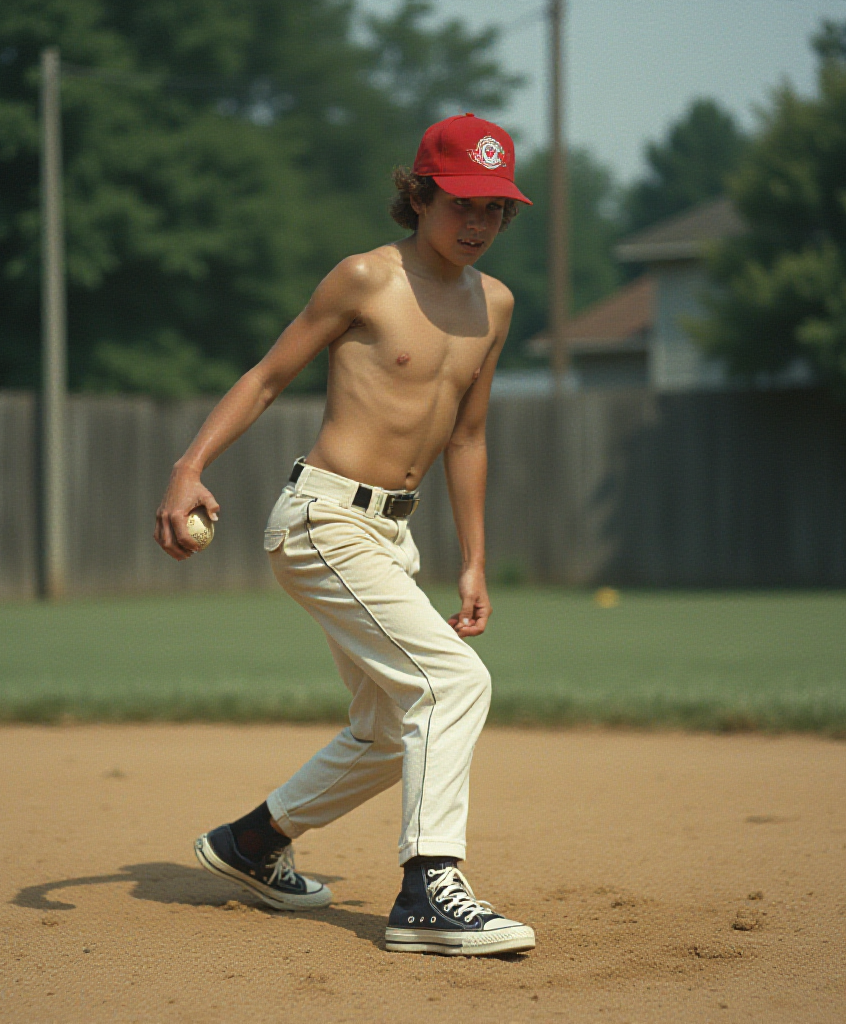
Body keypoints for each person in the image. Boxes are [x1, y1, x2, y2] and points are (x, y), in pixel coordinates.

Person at [154, 113, 535, 957]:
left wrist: (474, 560)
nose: (477, 224)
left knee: (392, 728)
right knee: (454, 685)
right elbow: (266, 377)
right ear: (421, 195)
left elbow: (468, 437)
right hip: (323, 519)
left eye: (494, 210)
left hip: (395, 538)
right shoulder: (367, 278)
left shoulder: (495, 305)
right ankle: (428, 887)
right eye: (460, 205)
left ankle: (251, 843)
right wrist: (189, 467)